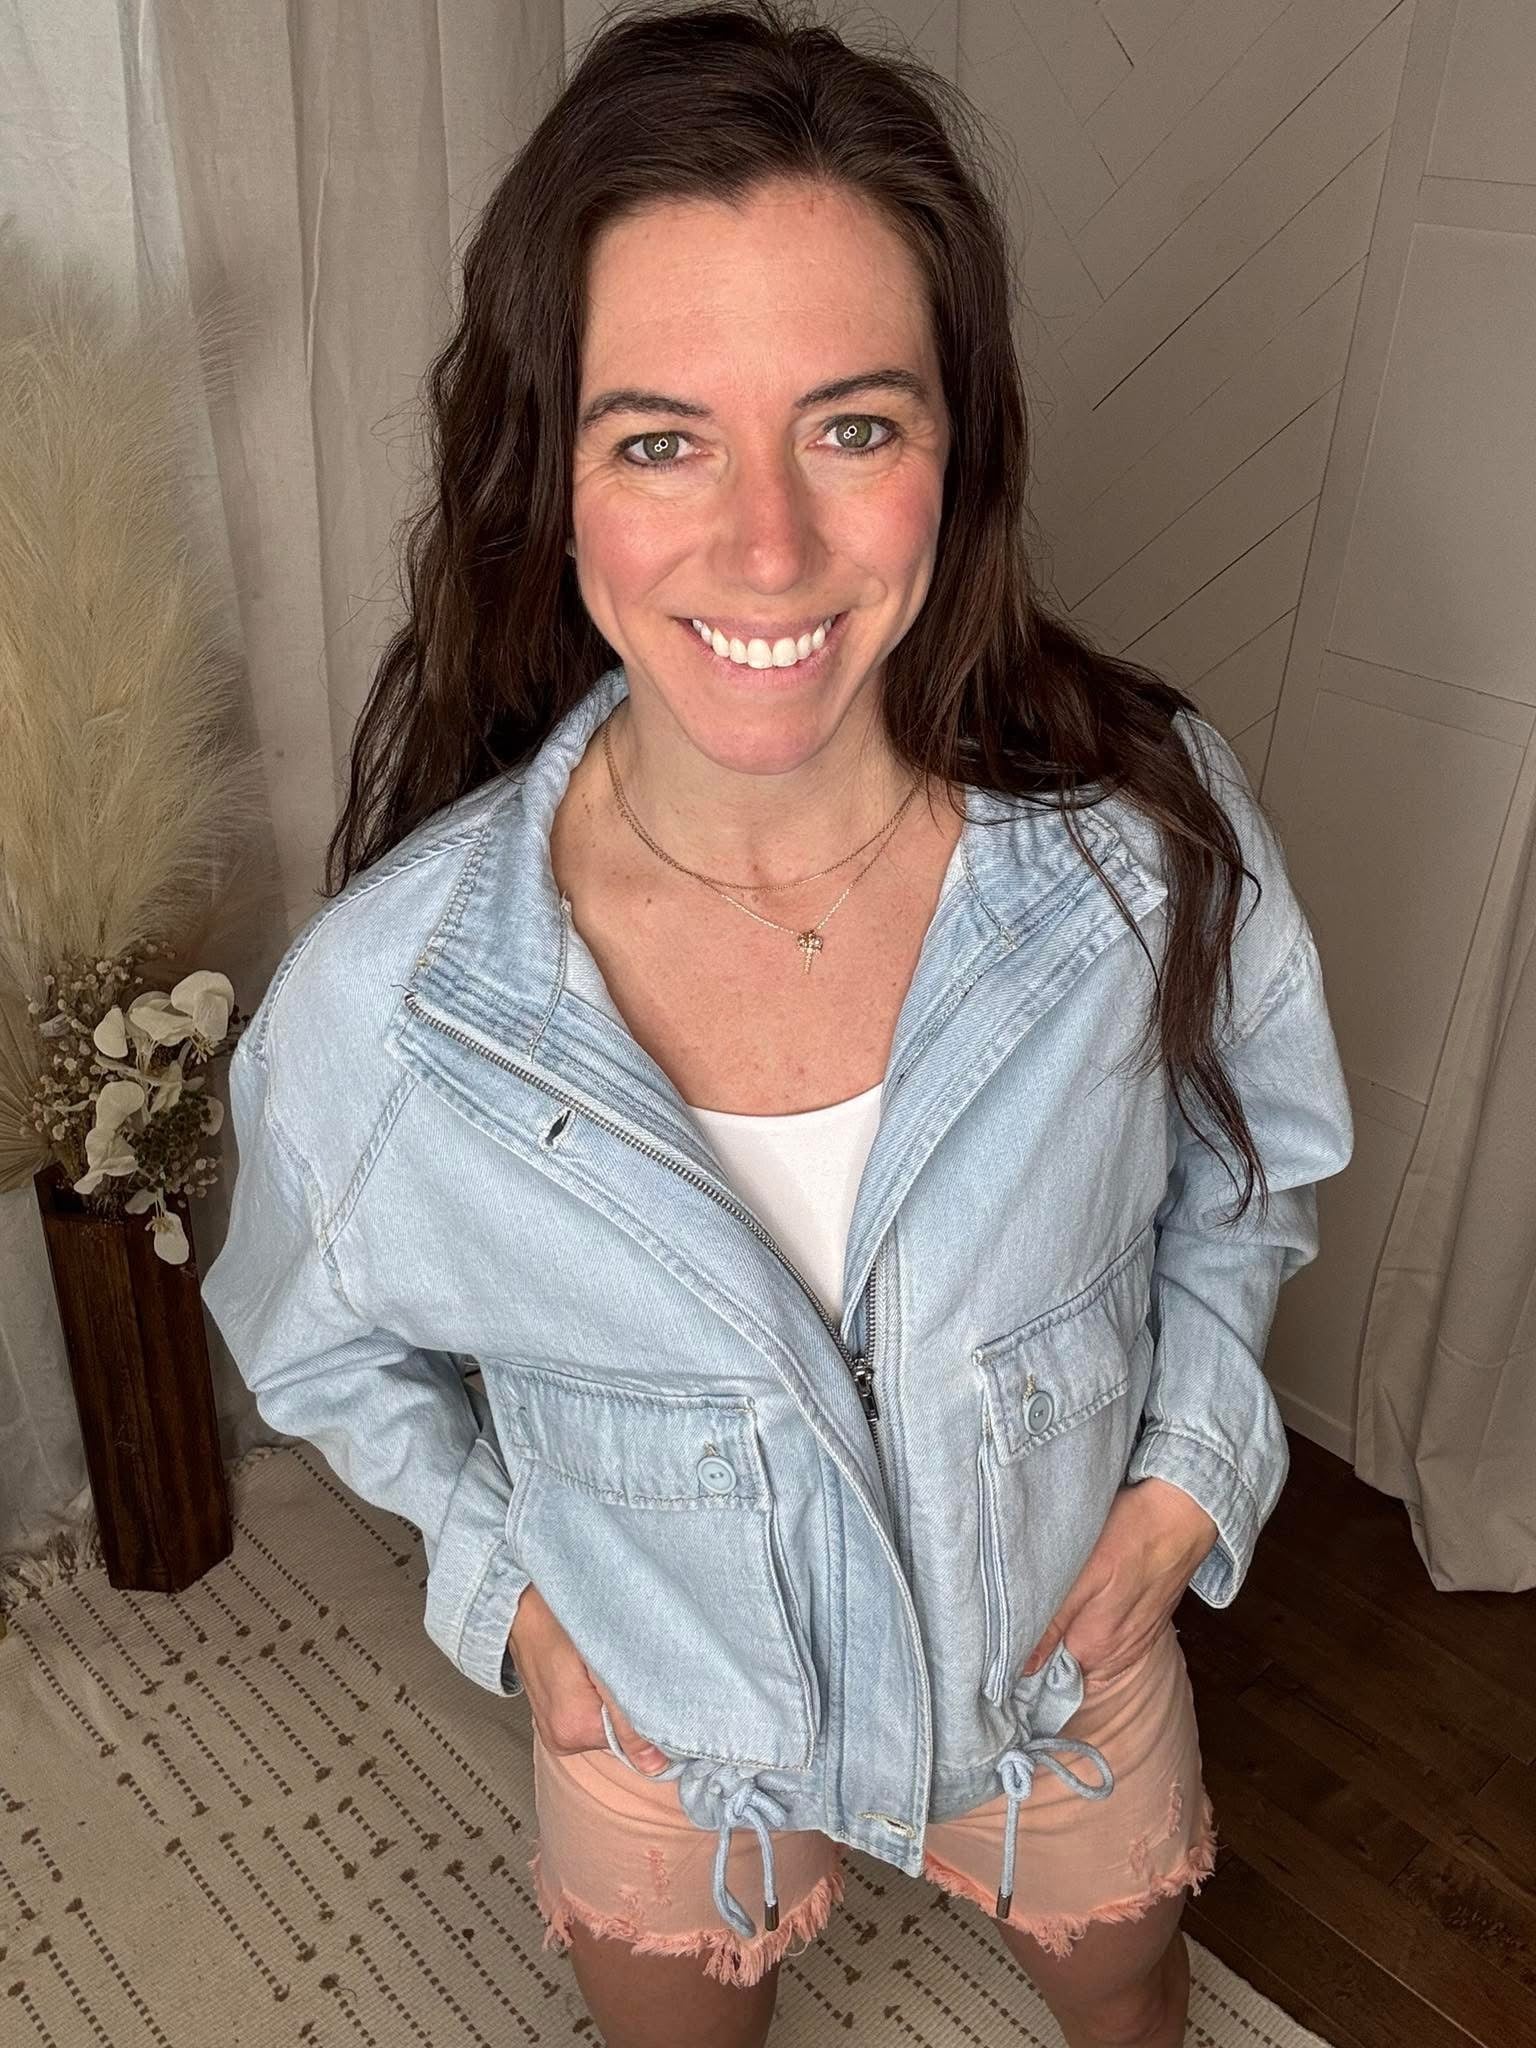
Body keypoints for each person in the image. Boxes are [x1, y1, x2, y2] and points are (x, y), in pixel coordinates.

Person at [200, 3, 1355, 2043]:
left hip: (1060, 1669)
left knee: (1131, 2001)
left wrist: (1187, 1473)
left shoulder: (1143, 844)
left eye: (853, 427)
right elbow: (315, 1336)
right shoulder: (391, 1006)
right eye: (661, 438)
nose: (767, 548)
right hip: (667, 1715)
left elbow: (1247, 1164)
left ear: (957, 449)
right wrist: (511, 1596)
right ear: (549, 476)